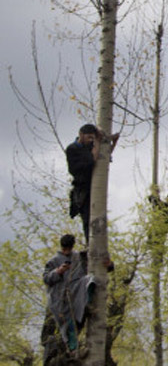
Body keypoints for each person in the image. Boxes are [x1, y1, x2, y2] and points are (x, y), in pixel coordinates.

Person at [42, 234, 113, 362]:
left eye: (69, 249)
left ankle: (88, 304)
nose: (67, 252)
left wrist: (109, 265)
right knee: (69, 325)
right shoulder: (53, 261)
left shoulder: (79, 257)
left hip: (78, 292)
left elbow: (97, 266)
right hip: (60, 299)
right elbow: (46, 279)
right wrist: (58, 271)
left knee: (90, 280)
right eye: (65, 249)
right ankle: (74, 350)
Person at [66, 123, 119, 243]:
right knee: (87, 219)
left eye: (93, 138)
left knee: (98, 217)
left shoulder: (91, 146)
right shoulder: (72, 149)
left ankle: (95, 243)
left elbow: (104, 156)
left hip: (93, 187)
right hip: (82, 188)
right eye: (89, 137)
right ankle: (90, 245)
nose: (90, 140)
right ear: (81, 135)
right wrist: (98, 143)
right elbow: (92, 161)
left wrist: (114, 142)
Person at [148, 188, 168, 252]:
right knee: (151, 240)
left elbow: (163, 207)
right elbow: (152, 200)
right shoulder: (161, 204)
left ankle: (158, 251)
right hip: (155, 225)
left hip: (163, 227)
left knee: (160, 243)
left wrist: (157, 196)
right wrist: (155, 193)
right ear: (166, 197)